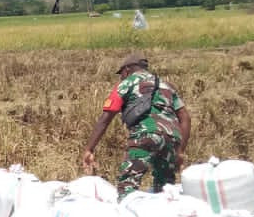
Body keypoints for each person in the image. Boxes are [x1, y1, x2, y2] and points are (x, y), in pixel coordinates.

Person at [82, 54, 191, 199]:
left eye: (121, 74)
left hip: (145, 135)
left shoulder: (127, 84)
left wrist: (89, 148)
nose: (121, 78)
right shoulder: (166, 85)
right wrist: (180, 150)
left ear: (127, 70)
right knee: (165, 188)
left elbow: (106, 118)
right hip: (172, 138)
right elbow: (185, 118)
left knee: (127, 187)